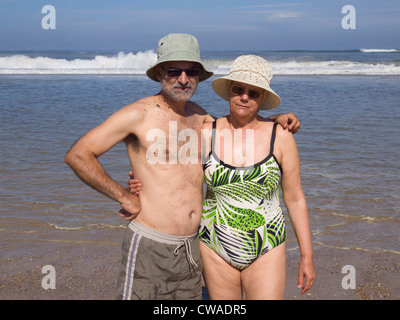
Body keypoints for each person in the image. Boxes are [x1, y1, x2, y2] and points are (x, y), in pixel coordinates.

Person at [65, 33, 300, 300]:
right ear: (159, 73)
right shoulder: (137, 115)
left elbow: (241, 128)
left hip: (194, 248)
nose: (184, 79)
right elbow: (79, 154)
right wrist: (123, 196)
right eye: (174, 71)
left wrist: (275, 120)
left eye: (192, 72)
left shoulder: (200, 117)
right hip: (151, 244)